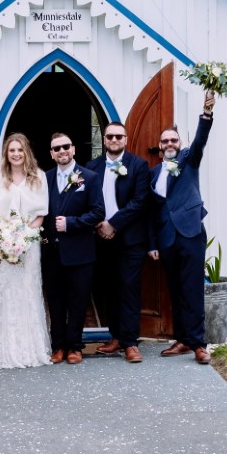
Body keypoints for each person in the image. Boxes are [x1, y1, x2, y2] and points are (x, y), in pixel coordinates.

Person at [151, 90, 217, 364]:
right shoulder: (153, 173)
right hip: (167, 239)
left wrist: (207, 113)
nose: (169, 143)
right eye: (165, 140)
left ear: (179, 143)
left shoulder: (189, 159)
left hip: (190, 233)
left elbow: (200, 141)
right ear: (159, 145)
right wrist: (153, 244)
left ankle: (198, 344)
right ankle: (182, 340)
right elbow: (153, 212)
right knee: (176, 290)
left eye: (173, 140)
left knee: (192, 289)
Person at [86, 121, 154, 363]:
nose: (114, 140)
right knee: (108, 289)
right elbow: (87, 200)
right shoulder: (92, 167)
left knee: (128, 288)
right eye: (110, 136)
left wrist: (113, 224)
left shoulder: (138, 166)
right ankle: (115, 337)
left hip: (130, 239)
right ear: (104, 140)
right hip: (100, 237)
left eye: (118, 136)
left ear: (125, 139)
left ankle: (130, 342)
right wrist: (99, 224)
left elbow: (139, 202)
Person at [0, 133, 51, 369]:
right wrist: (2, 238)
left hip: (29, 243)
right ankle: (4, 352)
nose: (16, 154)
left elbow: (41, 213)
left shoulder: (38, 177)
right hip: (1, 243)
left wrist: (25, 237)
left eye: (20, 150)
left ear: (26, 152)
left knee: (27, 291)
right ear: (6, 153)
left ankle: (29, 350)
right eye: (11, 150)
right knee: (5, 294)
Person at [41, 132, 105, 364]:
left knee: (78, 301)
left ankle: (76, 347)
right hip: (51, 253)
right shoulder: (45, 178)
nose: (62, 151)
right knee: (55, 301)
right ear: (51, 153)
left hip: (80, 252)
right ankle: (58, 346)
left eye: (65, 146)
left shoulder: (90, 177)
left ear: (73, 149)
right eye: (57, 148)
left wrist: (71, 223)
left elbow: (98, 212)